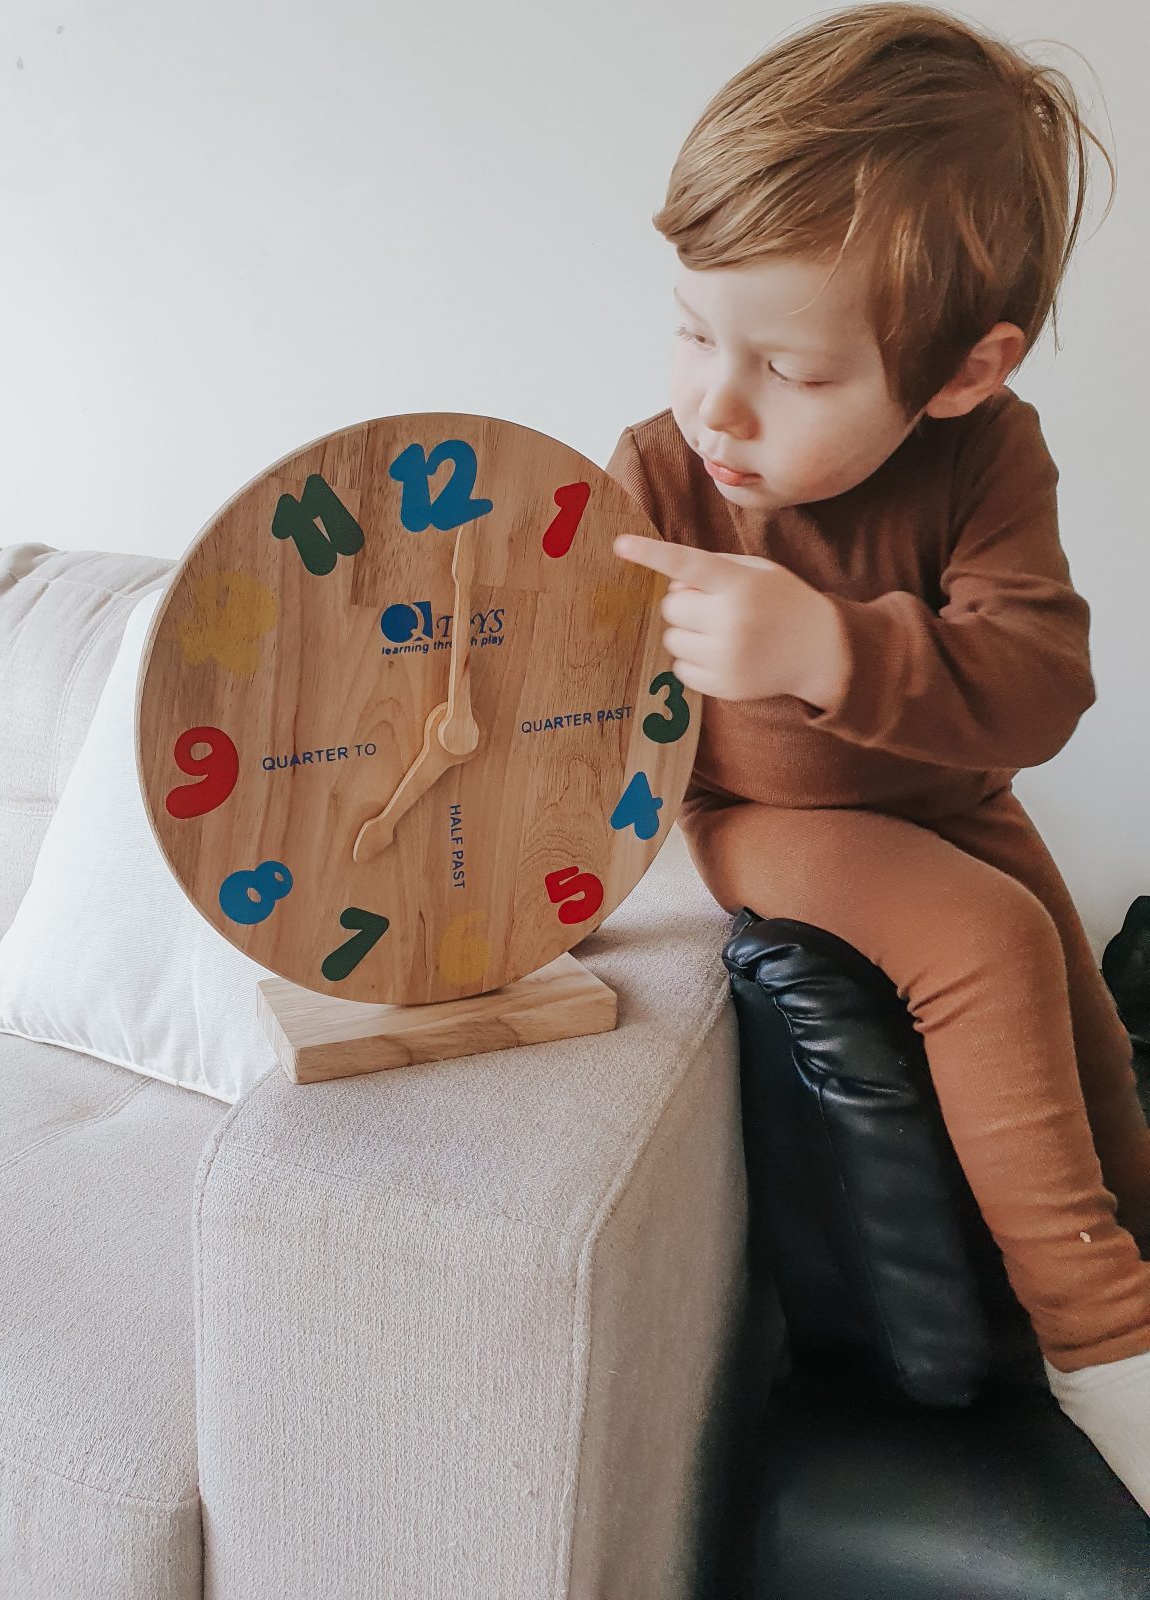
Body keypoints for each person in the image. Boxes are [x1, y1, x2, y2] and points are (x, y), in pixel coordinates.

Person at [606, 1, 1150, 1515]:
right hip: (755, 805)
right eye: (693, 329)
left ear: (963, 375)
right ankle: (1102, 1347)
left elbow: (1041, 686)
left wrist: (834, 647)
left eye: (788, 368)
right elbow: (566, 695)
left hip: (958, 790)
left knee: (1089, 1026)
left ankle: (1142, 1250)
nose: (716, 401)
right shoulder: (656, 469)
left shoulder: (991, 454)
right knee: (978, 936)